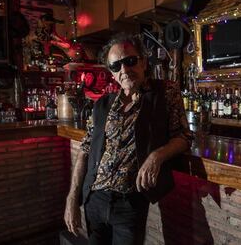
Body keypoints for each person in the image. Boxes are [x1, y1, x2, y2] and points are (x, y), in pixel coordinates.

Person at [64, 32, 192, 245]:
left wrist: (156, 157)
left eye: (130, 61)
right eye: (116, 66)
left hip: (129, 204)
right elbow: (85, 150)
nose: (124, 70)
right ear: (112, 73)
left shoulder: (165, 92)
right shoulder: (102, 104)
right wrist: (72, 199)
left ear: (142, 62)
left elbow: (184, 136)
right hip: (94, 199)